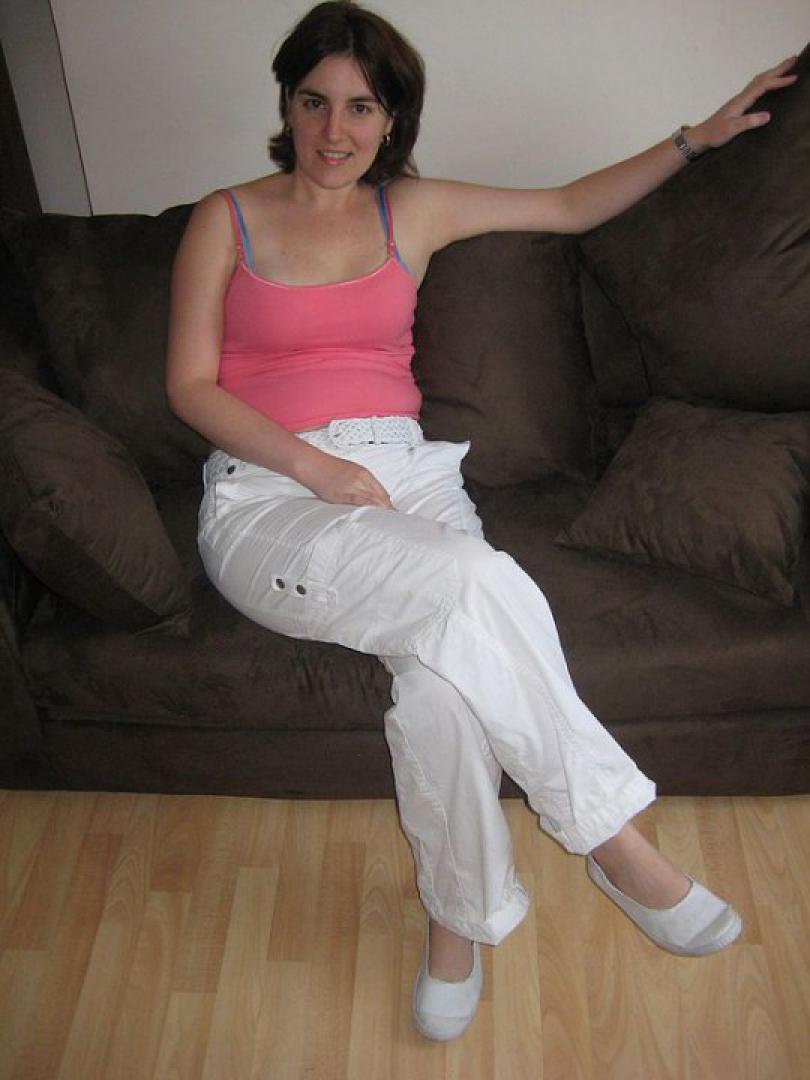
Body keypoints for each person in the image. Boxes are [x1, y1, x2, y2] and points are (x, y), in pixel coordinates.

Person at [166, 1, 797, 1042]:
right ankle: (611, 840)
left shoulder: (409, 211)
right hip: (268, 491)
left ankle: (457, 922)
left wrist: (700, 136)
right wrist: (312, 466)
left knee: (441, 686)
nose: (334, 130)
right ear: (286, 104)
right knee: (476, 581)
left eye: (360, 107)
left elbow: (571, 205)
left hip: (406, 478)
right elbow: (190, 386)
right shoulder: (223, 217)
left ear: (392, 118)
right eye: (314, 102)